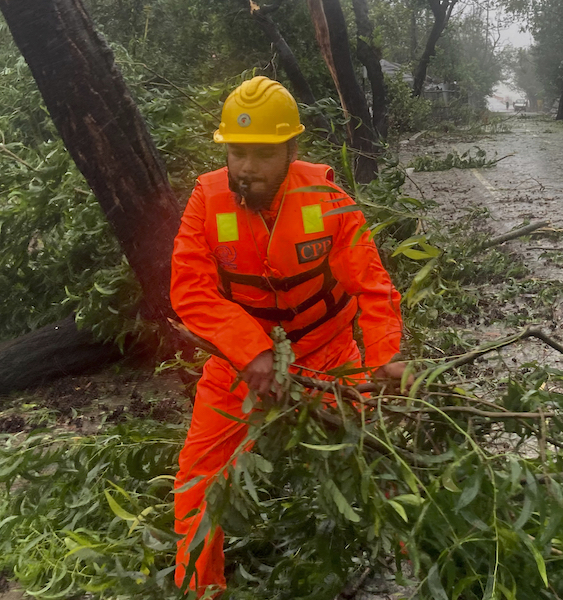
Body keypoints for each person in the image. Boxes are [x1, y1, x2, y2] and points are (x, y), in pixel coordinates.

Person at [169, 76, 406, 594]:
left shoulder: (327, 199)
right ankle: (202, 589)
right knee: (196, 481)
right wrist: (250, 350)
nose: (247, 167)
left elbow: (372, 285)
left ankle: (404, 555)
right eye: (237, 152)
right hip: (240, 364)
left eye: (263, 154)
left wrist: (385, 355)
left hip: (326, 354)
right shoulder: (207, 202)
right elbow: (189, 291)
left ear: (292, 149)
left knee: (373, 454)